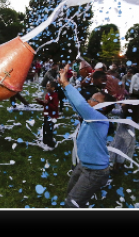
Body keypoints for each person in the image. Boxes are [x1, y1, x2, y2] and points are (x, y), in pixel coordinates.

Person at [58, 65, 114, 208]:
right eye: (90, 98)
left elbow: (80, 104)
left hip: (95, 171)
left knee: (72, 203)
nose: (89, 100)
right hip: (84, 164)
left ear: (104, 107)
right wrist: (64, 87)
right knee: (70, 192)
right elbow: (77, 106)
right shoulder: (90, 117)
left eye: (94, 100)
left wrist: (66, 83)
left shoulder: (99, 119)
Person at [35, 79, 59, 148]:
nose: (46, 87)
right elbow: (45, 103)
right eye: (46, 86)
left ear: (53, 88)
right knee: (45, 128)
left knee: (49, 129)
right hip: (46, 114)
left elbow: (55, 107)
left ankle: (50, 144)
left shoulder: (55, 96)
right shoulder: (48, 94)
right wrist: (40, 101)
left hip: (52, 116)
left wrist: (48, 104)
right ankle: (45, 141)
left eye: (48, 86)